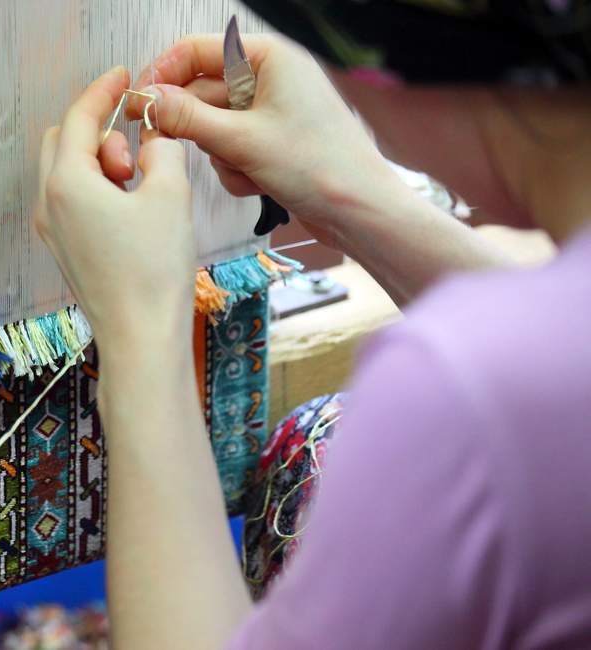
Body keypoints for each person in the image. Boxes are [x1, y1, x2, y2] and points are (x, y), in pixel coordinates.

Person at [34, 2, 591, 649]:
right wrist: (352, 194)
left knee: (315, 452)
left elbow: (510, 397)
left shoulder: (458, 403)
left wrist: (139, 328)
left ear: (379, 64)